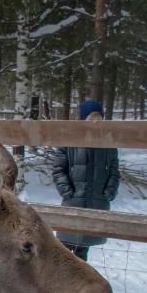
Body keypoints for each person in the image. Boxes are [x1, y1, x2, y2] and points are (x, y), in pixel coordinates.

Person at [52, 100, 120, 261]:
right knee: (62, 249)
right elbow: (58, 169)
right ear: (83, 119)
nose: (95, 122)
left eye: (98, 118)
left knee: (83, 251)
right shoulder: (69, 140)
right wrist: (67, 191)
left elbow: (114, 171)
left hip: (96, 202)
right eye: (91, 117)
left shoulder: (108, 143)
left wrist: (109, 191)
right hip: (73, 201)